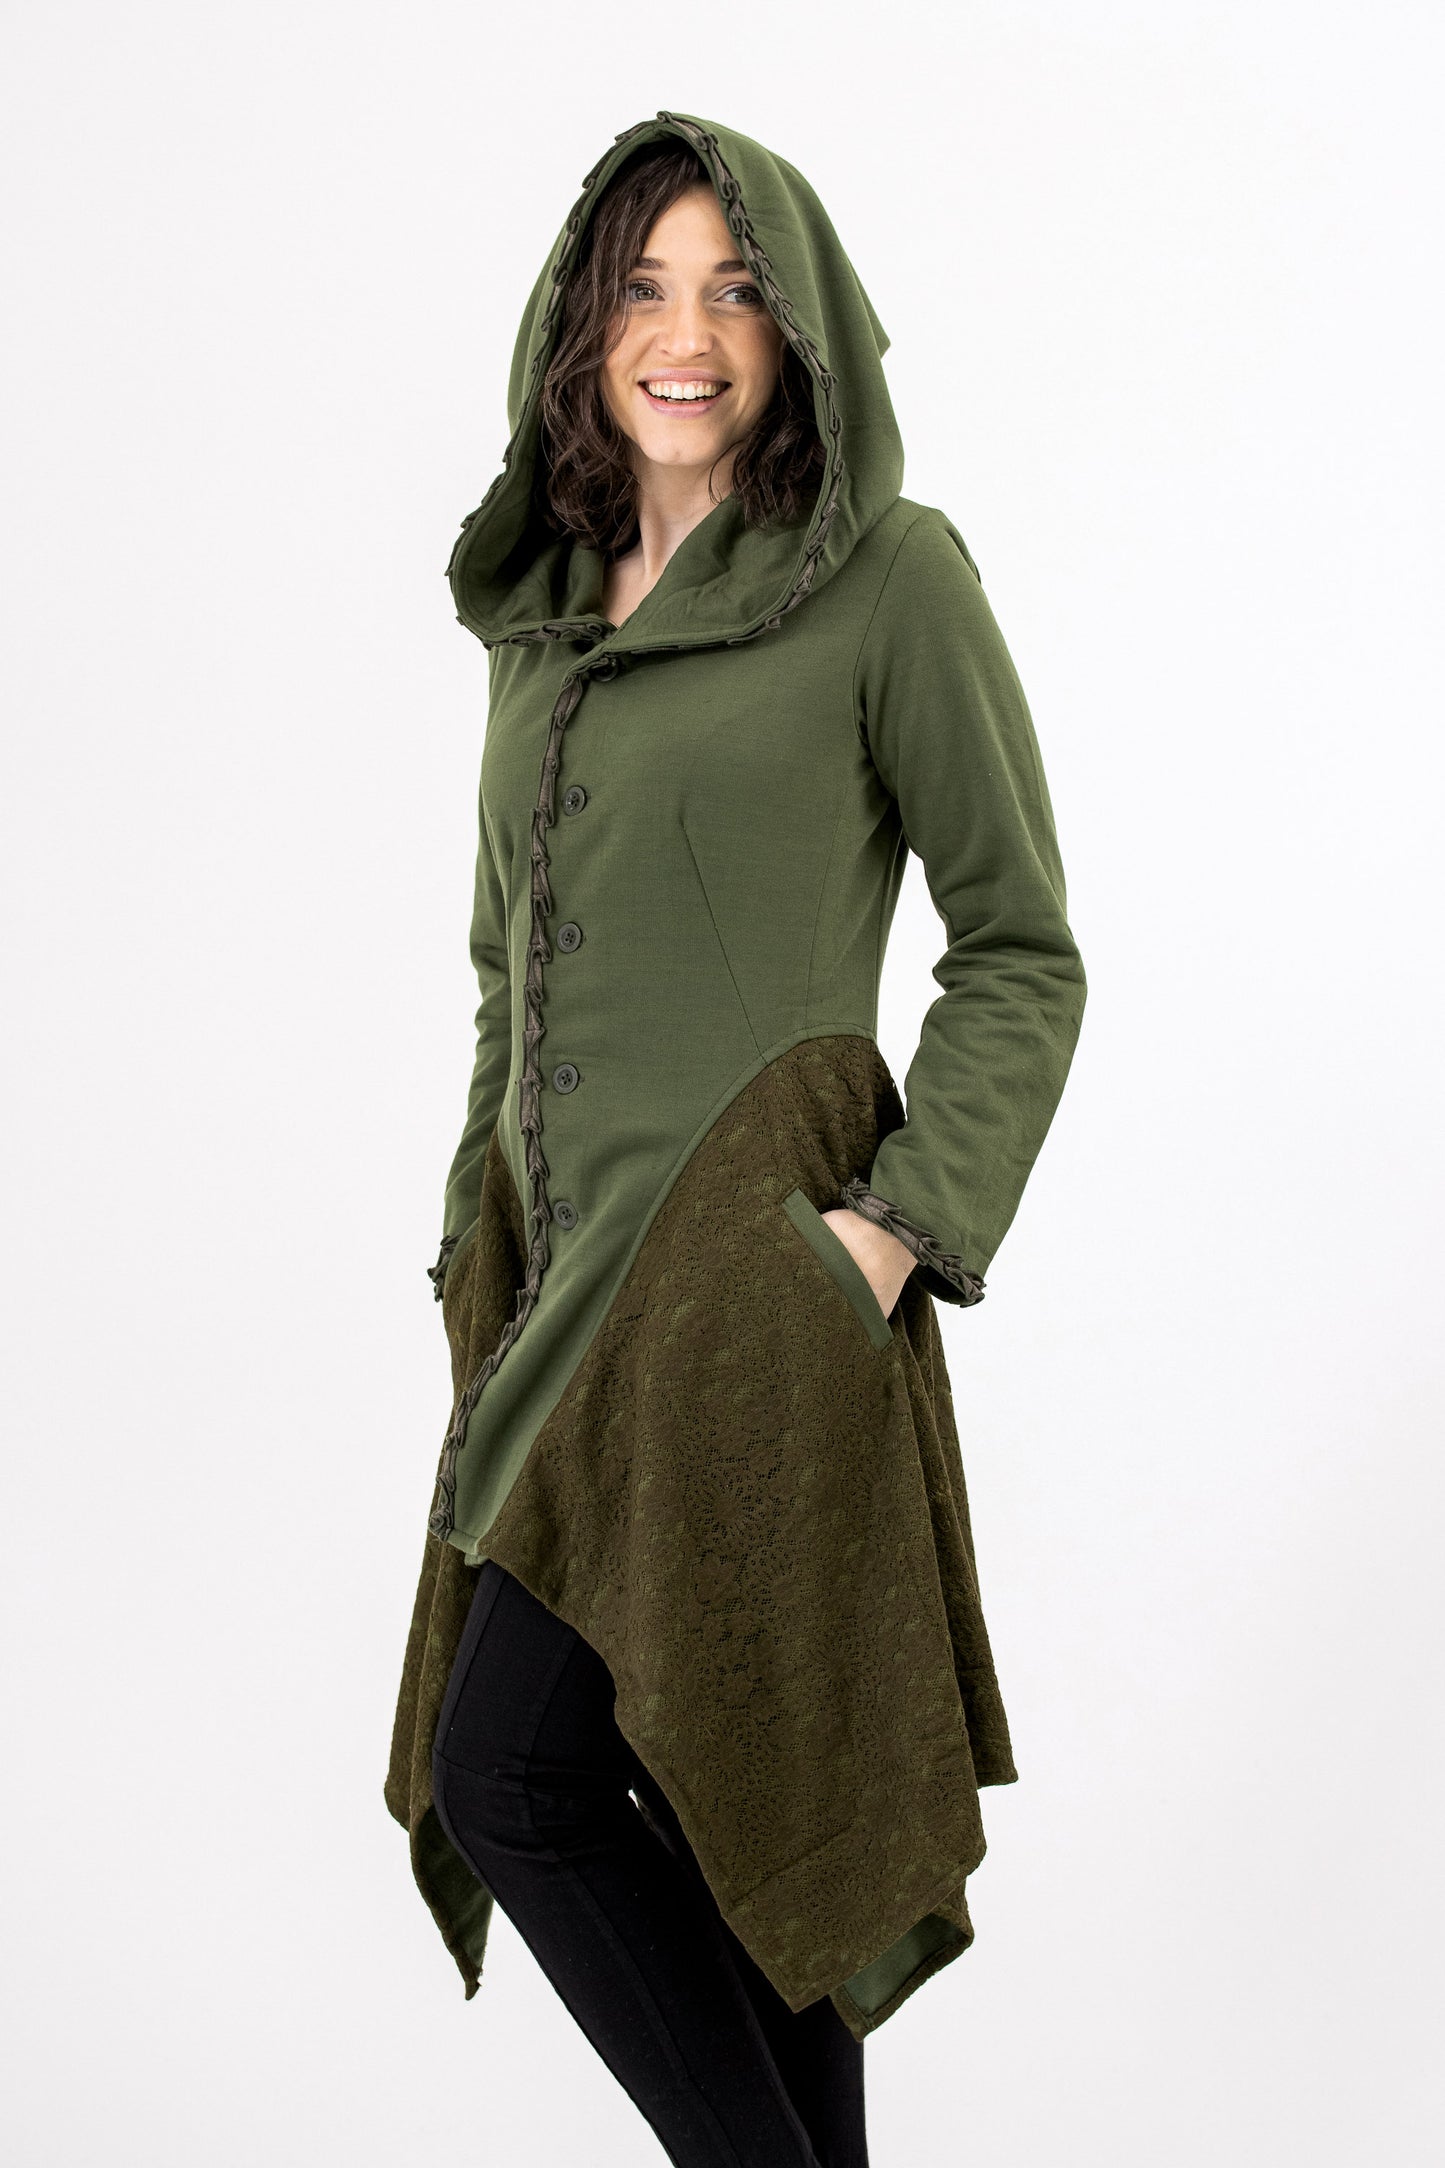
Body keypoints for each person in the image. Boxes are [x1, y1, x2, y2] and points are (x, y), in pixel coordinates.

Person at [385, 110, 1087, 2168]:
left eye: (734, 289)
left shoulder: (887, 580)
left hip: (753, 1321)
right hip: (556, 1323)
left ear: (797, 331)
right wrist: (471, 1246)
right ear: (581, 324)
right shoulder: (545, 622)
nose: (685, 335)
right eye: (644, 287)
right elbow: (508, 968)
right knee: (716, 1829)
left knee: (523, 1774)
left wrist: (885, 1236)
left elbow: (1021, 949)